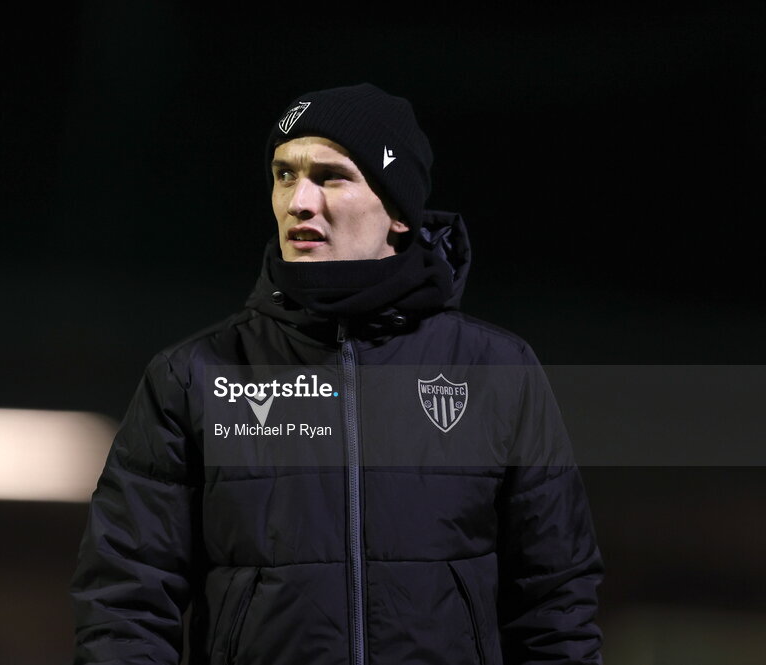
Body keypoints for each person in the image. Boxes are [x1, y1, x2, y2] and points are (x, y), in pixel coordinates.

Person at [71, 83, 604, 665]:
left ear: (398, 212)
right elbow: (125, 602)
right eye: (284, 175)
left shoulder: (496, 371)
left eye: (331, 177)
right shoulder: (192, 377)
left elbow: (556, 603)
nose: (298, 201)